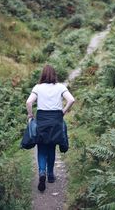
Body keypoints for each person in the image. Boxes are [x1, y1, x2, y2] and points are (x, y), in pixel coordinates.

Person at [26, 64, 75, 192]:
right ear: (54, 75)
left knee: (41, 147)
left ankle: (42, 173)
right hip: (56, 120)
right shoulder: (60, 87)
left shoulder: (38, 87)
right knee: (52, 147)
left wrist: (30, 115)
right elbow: (71, 100)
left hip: (42, 120)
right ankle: (51, 175)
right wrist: (63, 111)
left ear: (42, 74)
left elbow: (29, 102)